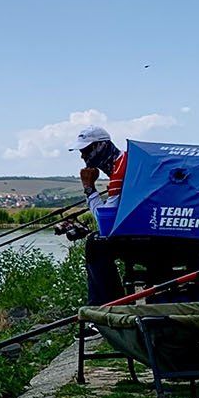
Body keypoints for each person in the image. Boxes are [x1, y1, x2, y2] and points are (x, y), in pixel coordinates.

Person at [70, 123, 130, 303]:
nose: (83, 156)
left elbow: (105, 224)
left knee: (95, 244)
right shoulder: (127, 162)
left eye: (86, 150)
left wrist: (89, 188)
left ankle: (110, 305)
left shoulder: (120, 171)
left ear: (101, 146)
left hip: (152, 241)